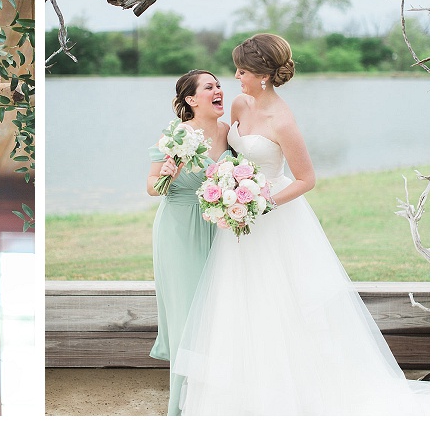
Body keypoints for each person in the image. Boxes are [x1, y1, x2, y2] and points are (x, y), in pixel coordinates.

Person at [172, 34, 429, 415]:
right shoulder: (241, 104)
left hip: (273, 218)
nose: (236, 77)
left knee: (283, 303)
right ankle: (240, 396)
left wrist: (262, 204)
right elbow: (221, 144)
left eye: (242, 70)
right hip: (238, 220)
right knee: (237, 302)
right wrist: (214, 180)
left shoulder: (283, 121)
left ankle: (294, 396)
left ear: (262, 75)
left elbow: (306, 179)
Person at [146, 70, 232, 416]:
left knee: (217, 309)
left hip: (219, 228)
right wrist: (168, 173)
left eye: (219, 86)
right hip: (179, 228)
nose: (218, 90)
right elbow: (152, 187)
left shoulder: (230, 133)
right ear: (191, 100)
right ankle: (177, 406)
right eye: (209, 87)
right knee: (187, 313)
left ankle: (215, 395)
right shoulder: (177, 135)